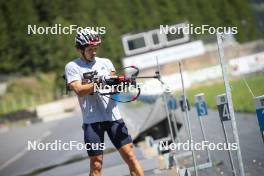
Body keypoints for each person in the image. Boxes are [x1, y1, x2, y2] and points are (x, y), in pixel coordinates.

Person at [64, 28, 144, 176]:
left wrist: (122, 84)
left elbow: (115, 90)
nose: (94, 52)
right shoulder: (72, 67)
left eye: (96, 48)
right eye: (90, 49)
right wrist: (99, 81)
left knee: (131, 156)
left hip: (113, 118)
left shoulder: (106, 63)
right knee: (96, 165)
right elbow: (79, 90)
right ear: (80, 49)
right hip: (92, 122)